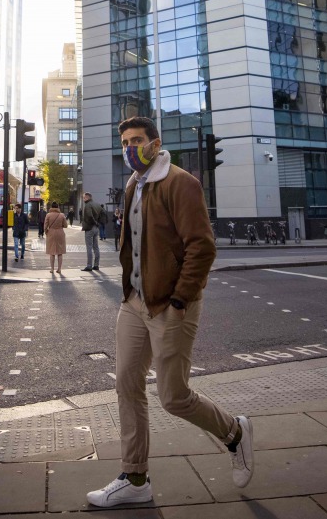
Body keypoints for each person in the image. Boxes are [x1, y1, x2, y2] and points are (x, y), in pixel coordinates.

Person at [87, 116, 253, 509]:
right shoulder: (133, 184)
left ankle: (234, 433)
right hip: (134, 303)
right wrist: (129, 290)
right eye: (125, 141)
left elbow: (202, 247)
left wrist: (180, 300)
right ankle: (135, 477)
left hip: (172, 305)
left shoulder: (181, 182)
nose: (130, 148)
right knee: (126, 384)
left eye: (137, 140)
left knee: (173, 397)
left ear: (155, 143)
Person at [80, 192, 104, 271]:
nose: (83, 199)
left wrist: (95, 222)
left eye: (84, 198)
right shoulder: (97, 204)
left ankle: (89, 265)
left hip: (89, 228)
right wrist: (98, 223)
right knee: (96, 247)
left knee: (89, 247)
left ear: (87, 197)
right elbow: (103, 214)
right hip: (96, 228)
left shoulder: (88, 205)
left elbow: (89, 216)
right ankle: (96, 265)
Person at [43, 202, 67, 274]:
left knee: (52, 252)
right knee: (60, 252)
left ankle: (52, 269)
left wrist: (46, 232)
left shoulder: (48, 215)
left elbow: (45, 226)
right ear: (58, 207)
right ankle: (59, 269)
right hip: (60, 233)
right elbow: (65, 225)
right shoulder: (62, 215)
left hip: (51, 233)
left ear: (51, 207)